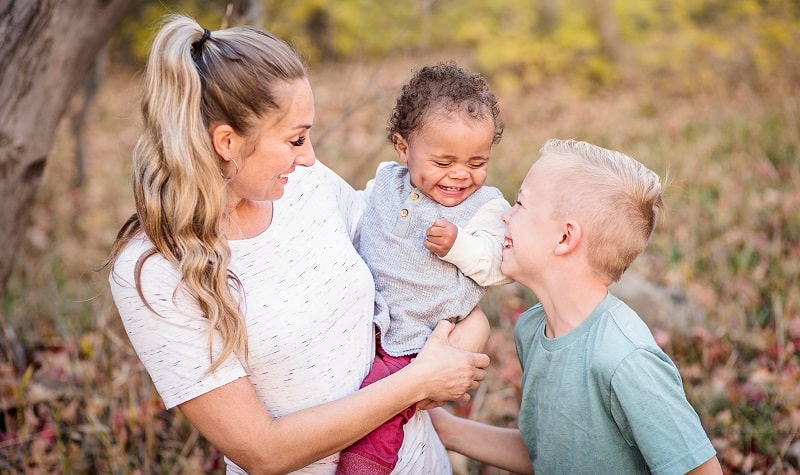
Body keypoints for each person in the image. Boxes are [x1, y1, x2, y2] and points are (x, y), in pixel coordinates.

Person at [106, 14, 490, 475]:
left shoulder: (303, 184)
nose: (309, 156)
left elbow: (417, 276)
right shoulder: (155, 269)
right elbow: (262, 452)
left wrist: (463, 340)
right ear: (227, 141)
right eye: (295, 139)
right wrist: (417, 382)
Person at [429, 139, 723, 474]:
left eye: (520, 204)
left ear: (565, 238)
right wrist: (442, 427)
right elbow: (550, 454)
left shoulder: (624, 360)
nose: (505, 216)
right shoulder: (533, 329)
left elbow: (702, 470)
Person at [336, 63, 511, 474]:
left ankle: (363, 468)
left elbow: (497, 265)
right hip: (367, 321)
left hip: (420, 337)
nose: (460, 174)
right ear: (403, 148)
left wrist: (459, 247)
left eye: (476, 161)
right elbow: (358, 216)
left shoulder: (485, 207)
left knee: (381, 410)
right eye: (444, 161)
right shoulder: (385, 183)